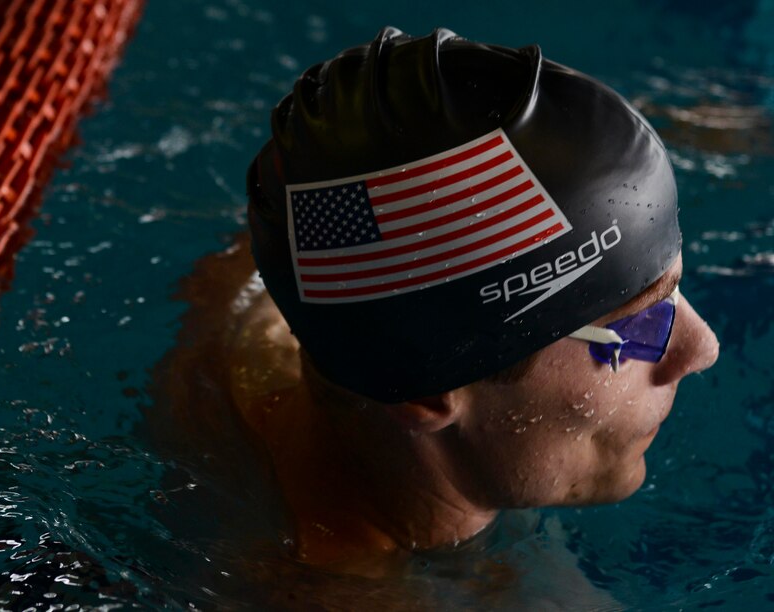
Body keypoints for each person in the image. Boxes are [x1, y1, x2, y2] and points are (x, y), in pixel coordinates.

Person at [150, 26, 720, 592]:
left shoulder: (252, 308)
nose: (703, 347)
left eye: (674, 287)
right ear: (427, 391)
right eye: (640, 328)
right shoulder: (330, 591)